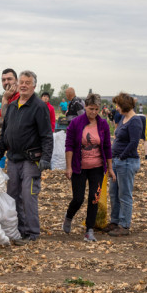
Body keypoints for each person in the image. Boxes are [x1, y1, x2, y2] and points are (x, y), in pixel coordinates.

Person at [0, 70, 53, 244]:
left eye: (28, 82)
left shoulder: (39, 107)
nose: (24, 85)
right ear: (18, 84)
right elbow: (5, 133)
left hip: (31, 159)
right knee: (12, 195)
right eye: (22, 82)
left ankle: (32, 232)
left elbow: (47, 135)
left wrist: (46, 157)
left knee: (28, 194)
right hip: (13, 158)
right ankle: (18, 229)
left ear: (34, 86)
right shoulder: (12, 107)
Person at [63, 93, 114, 242]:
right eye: (91, 108)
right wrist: (68, 167)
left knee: (94, 198)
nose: (93, 112)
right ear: (85, 106)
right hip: (79, 167)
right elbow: (69, 145)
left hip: (97, 168)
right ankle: (68, 217)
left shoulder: (103, 124)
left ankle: (89, 230)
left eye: (96, 109)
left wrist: (110, 168)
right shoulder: (76, 123)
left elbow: (107, 147)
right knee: (78, 198)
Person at [104, 92, 142, 237]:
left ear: (124, 105)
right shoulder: (123, 119)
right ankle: (115, 221)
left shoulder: (135, 121)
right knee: (114, 193)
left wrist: (121, 156)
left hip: (126, 162)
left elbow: (133, 143)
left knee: (124, 194)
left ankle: (124, 224)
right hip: (117, 161)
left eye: (118, 105)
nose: (117, 108)